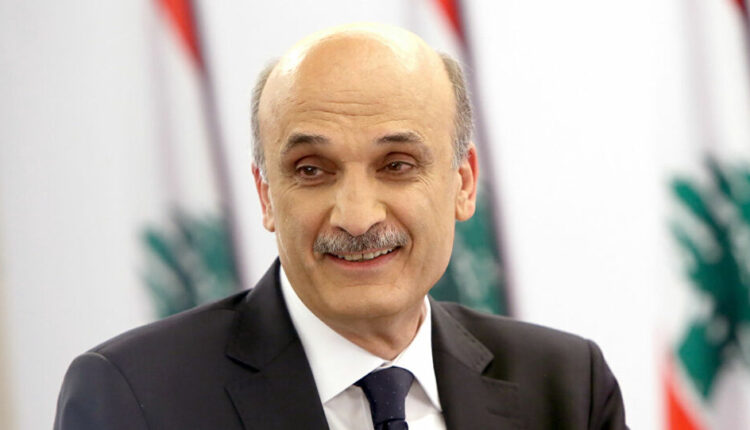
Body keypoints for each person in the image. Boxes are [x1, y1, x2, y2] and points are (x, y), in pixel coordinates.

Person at [54, 23, 628, 429]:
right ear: (266, 195)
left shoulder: (567, 388)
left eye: (397, 165)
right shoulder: (133, 397)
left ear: (463, 183)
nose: (356, 217)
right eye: (312, 170)